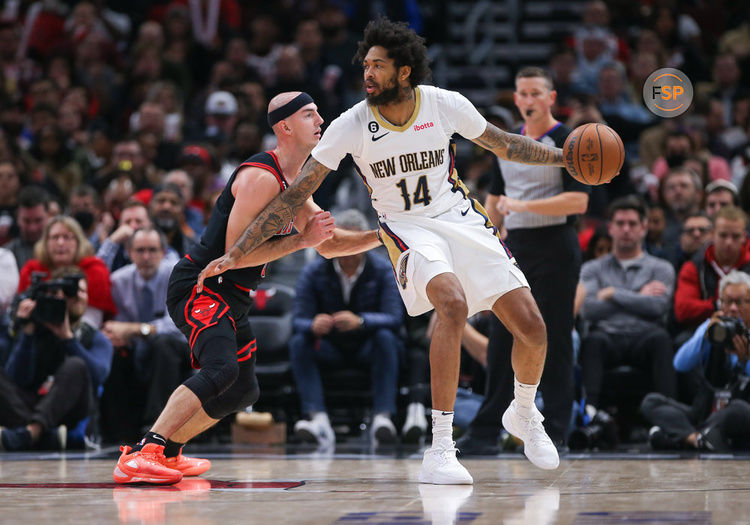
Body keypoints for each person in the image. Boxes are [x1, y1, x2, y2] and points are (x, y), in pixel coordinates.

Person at [198, 18, 569, 484]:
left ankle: (522, 411)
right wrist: (239, 251)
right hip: (405, 226)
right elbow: (296, 195)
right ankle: (439, 446)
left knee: (533, 328)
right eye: (365, 65)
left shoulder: (444, 104)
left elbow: (505, 144)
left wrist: (564, 156)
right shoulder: (351, 124)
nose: (367, 74)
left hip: (459, 217)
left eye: (378, 66)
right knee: (451, 304)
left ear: (405, 72)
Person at [113, 91, 381, 485]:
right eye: (310, 115)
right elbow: (236, 254)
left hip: (232, 296)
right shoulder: (260, 177)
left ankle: (167, 452)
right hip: (201, 284)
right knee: (221, 368)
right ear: (285, 127)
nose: (321, 121)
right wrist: (300, 241)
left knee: (242, 390)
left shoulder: (296, 181)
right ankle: (145, 450)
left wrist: (383, 236)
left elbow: (328, 243)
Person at [458, 66, 589, 455]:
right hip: (515, 248)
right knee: (501, 336)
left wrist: (523, 205)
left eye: (536, 93)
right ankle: (486, 430)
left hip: (556, 245)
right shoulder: (507, 143)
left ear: (551, 99)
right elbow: (497, 203)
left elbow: (578, 201)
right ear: (515, 99)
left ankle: (559, 429)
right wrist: (484, 237)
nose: (529, 100)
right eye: (523, 94)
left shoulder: (567, 140)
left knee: (556, 337)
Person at [290, 208, 404, 447]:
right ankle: (317, 419)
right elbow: (297, 320)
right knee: (300, 341)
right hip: (330, 346)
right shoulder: (314, 271)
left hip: (367, 345)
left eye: (353, 241)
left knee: (386, 338)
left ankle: (383, 418)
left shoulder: (383, 269)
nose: (348, 249)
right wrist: (313, 324)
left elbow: (394, 318)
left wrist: (360, 321)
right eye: (341, 240)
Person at [579, 196, 676, 416]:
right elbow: (588, 309)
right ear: (610, 228)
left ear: (644, 227)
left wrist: (613, 294)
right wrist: (638, 295)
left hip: (646, 336)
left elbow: (658, 307)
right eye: (620, 223)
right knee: (593, 341)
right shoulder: (591, 268)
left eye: (632, 224)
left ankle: (668, 415)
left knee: (661, 340)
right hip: (607, 336)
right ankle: (590, 412)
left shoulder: (661, 268)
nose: (626, 229)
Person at [0, 270, 113, 450]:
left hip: (72, 413)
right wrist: (27, 335)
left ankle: (33, 431)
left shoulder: (95, 337)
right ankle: (42, 434)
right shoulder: (36, 331)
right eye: (68, 292)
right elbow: (16, 379)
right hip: (30, 405)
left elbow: (98, 377)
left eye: (81, 291)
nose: (76, 296)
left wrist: (68, 338)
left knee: (76, 365)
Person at [642, 270, 750, 451]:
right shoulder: (711, 327)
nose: (732, 308)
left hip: (739, 413)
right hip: (706, 412)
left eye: (739, 302)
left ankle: (680, 436)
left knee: (739, 409)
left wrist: (745, 360)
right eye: (727, 302)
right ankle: (698, 438)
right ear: (719, 303)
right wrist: (706, 337)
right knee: (651, 401)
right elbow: (680, 364)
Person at [104, 227, 190, 431]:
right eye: (140, 250)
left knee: (162, 345)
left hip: (178, 349)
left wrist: (137, 329)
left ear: (163, 252)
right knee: (112, 351)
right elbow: (117, 328)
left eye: (152, 250)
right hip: (137, 350)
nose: (146, 256)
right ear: (129, 252)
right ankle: (116, 429)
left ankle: (157, 427)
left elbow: (180, 326)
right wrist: (118, 335)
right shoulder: (118, 281)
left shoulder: (177, 274)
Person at [18, 216, 116, 329]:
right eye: (55, 237)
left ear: (78, 242)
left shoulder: (95, 270)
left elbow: (92, 323)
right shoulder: (32, 271)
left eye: (67, 237)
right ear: (45, 242)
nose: (60, 243)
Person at [674, 206, 750, 333]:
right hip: (705, 329)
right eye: (723, 235)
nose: (729, 242)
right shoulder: (695, 266)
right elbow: (683, 309)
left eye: (735, 236)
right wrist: (720, 305)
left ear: (744, 236)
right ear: (712, 234)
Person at [3, 186, 51, 270]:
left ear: (49, 216)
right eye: (26, 221)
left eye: (38, 220)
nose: (32, 228)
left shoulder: (62, 251)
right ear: (17, 218)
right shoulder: (5, 255)